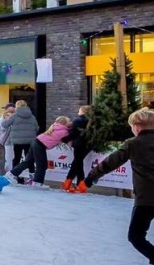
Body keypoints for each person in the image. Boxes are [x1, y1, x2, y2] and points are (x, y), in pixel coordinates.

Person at [84, 107, 154, 263]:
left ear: (136, 127)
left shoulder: (133, 143)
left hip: (146, 199)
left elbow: (110, 162)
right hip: (146, 198)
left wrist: (91, 177)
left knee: (136, 236)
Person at [9, 116, 71, 187]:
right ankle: (37, 182)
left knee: (28, 162)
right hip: (40, 145)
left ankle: (11, 174)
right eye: (69, 121)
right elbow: (68, 141)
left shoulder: (56, 126)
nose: (71, 122)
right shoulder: (64, 131)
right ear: (64, 123)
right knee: (42, 165)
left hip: (37, 142)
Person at [64, 105, 93, 193]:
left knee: (78, 163)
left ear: (83, 111)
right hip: (88, 145)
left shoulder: (78, 120)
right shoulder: (93, 121)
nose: (78, 112)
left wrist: (64, 139)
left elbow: (73, 133)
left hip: (79, 144)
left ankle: (79, 184)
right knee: (77, 162)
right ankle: (69, 182)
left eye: (79, 110)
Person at [5, 100, 39, 168]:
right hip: (29, 141)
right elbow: (37, 128)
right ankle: (31, 174)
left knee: (17, 158)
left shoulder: (14, 116)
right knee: (29, 158)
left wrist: (6, 118)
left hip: (17, 141)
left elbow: (4, 125)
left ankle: (14, 175)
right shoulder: (32, 116)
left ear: (17, 106)